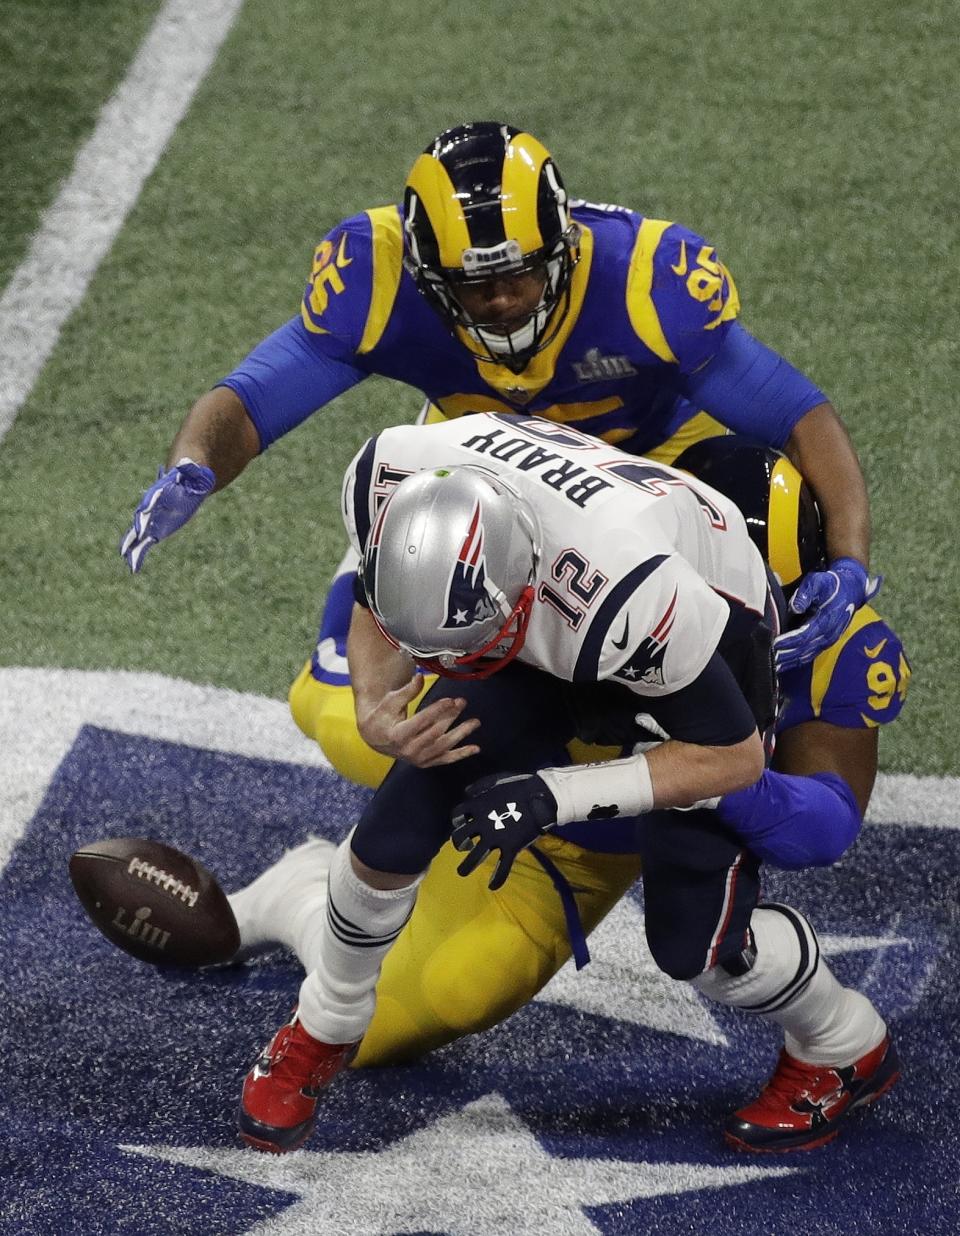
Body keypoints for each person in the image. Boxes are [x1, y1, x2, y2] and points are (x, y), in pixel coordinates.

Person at [230, 413, 899, 1156]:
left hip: (687, 643)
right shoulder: (392, 472)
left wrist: (554, 794)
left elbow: (736, 762)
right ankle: (323, 1023)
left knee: (699, 943)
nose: (447, 664)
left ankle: (843, 1040)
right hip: (566, 596)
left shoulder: (634, 599)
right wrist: (371, 702)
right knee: (403, 811)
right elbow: (376, 593)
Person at [120, 120, 880, 678]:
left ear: (564, 245)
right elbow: (249, 402)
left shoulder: (648, 283)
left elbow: (799, 415)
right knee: (342, 716)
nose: (505, 299)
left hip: (656, 459)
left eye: (520, 273)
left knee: (771, 537)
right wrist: (194, 464)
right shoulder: (376, 280)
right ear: (424, 272)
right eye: (474, 284)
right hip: (495, 467)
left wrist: (848, 561)